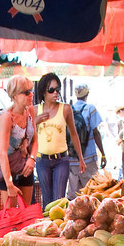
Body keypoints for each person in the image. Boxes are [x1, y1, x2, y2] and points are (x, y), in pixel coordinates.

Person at [33, 73, 85, 204]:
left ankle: (58, 224)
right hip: (42, 160)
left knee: (59, 200)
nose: (55, 93)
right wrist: (35, 121)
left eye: (58, 89)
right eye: (51, 90)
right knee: (47, 201)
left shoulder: (65, 109)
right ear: (43, 91)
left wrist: (81, 159)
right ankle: (49, 225)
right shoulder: (35, 110)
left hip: (61, 160)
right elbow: (28, 134)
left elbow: (74, 133)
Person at [0, 75, 37, 207]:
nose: (31, 95)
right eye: (26, 92)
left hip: (25, 166)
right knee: (11, 215)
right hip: (8, 170)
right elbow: (2, 153)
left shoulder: (29, 110)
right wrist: (9, 184)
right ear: (15, 96)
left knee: (27, 212)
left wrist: (32, 159)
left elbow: (35, 139)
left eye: (31, 91)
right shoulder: (7, 117)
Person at [70, 83, 104, 189]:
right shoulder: (90, 109)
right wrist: (103, 154)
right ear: (87, 93)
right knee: (91, 190)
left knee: (75, 194)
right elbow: (96, 133)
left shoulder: (69, 109)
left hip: (72, 159)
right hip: (88, 159)